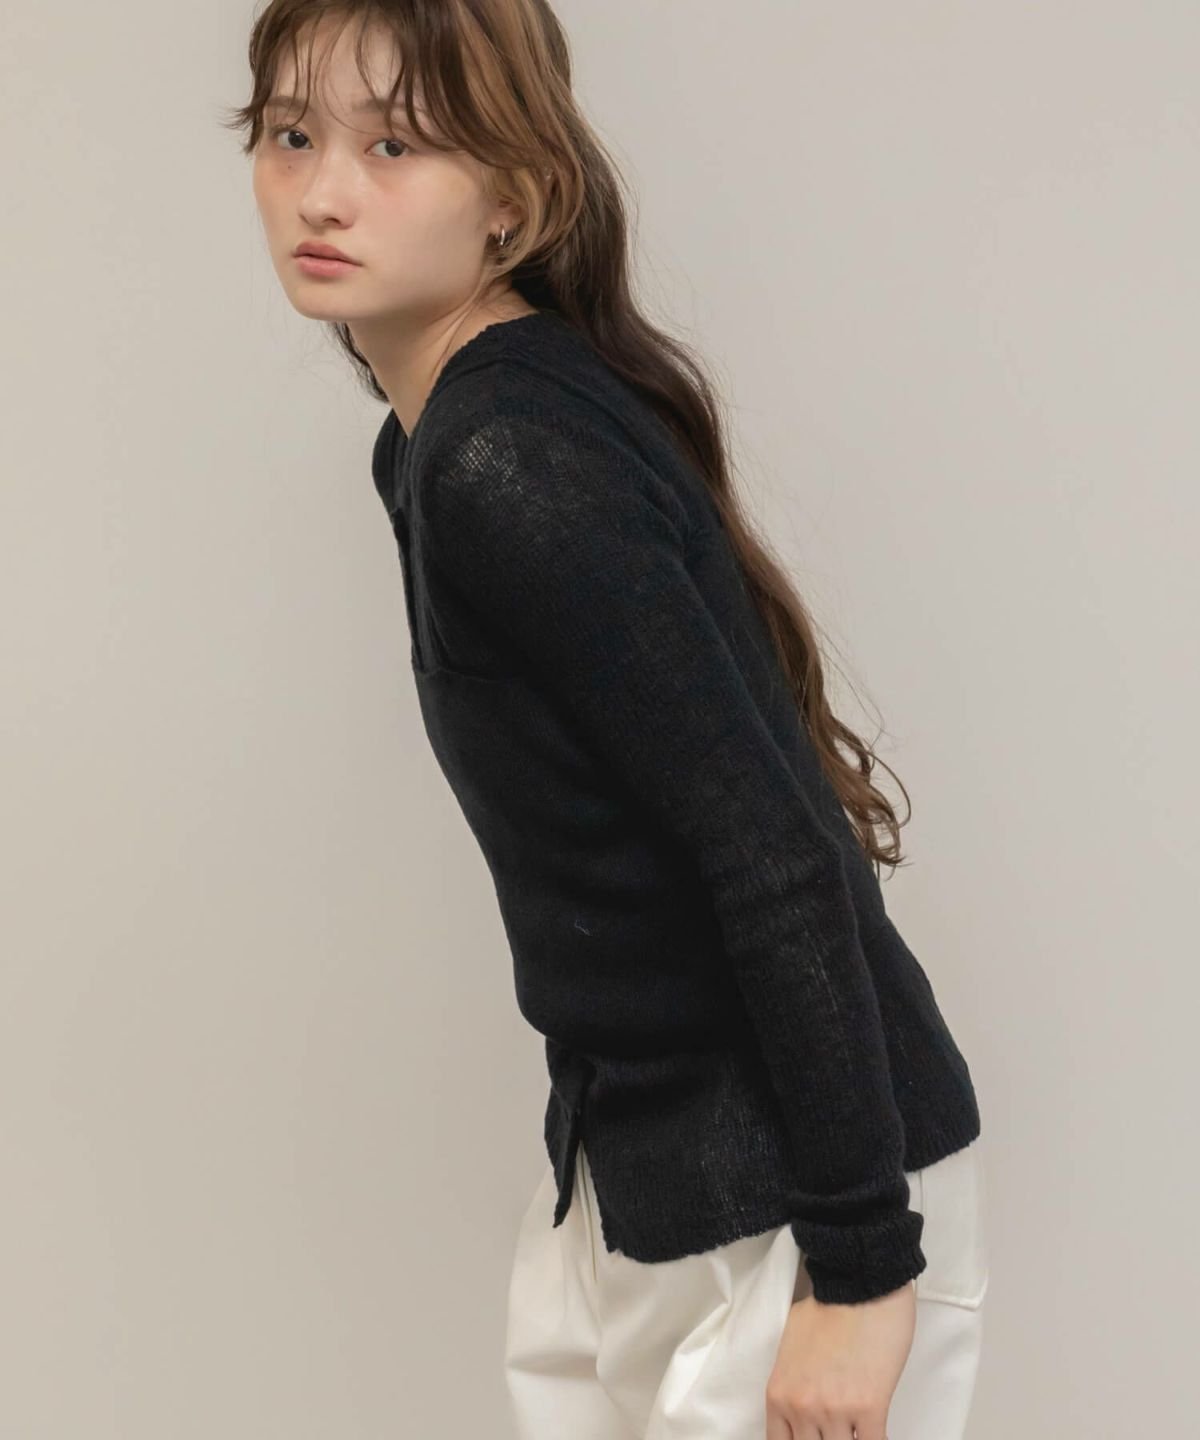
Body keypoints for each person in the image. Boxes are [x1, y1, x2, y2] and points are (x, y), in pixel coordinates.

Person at [228, 3, 990, 1437]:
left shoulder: (507, 457)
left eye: (394, 145)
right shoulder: (436, 439)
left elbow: (776, 853)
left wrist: (860, 1270)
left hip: (795, 1208)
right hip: (652, 1179)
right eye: (289, 134)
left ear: (513, 202)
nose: (321, 192)